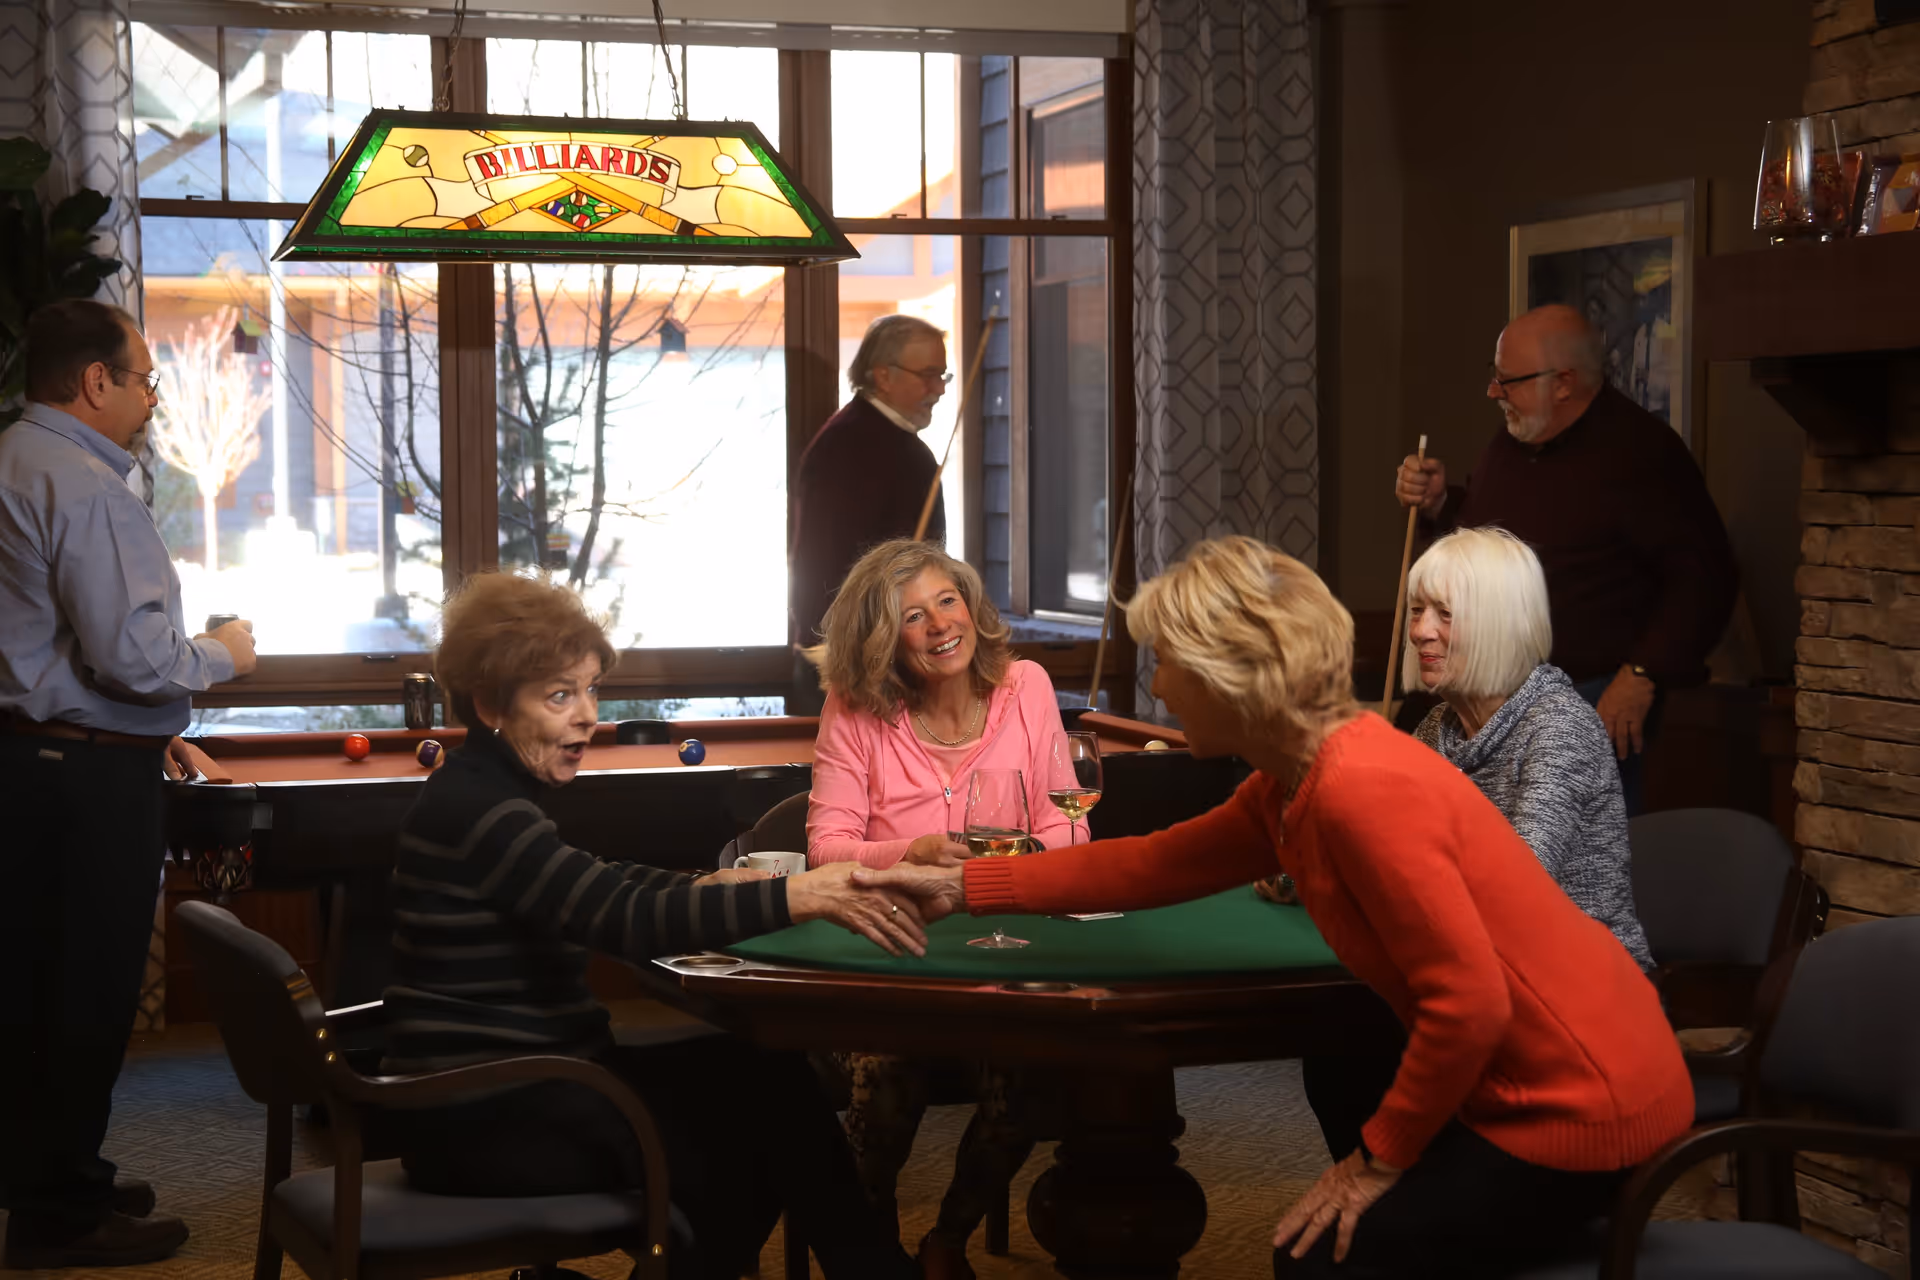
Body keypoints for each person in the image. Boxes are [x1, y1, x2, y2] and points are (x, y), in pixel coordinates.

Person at [858, 537, 1694, 1280]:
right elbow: (1151, 866)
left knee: (1316, 1254)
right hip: (1526, 1085)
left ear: (1235, 677)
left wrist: (1375, 1161)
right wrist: (962, 886)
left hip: (1588, 1104)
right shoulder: (1295, 775)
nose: (1160, 683)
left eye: (1172, 662)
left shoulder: (1360, 787)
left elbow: (1470, 1004)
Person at [387, 571, 923, 1279]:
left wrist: (706, 884)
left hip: (521, 1086)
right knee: (757, 1139)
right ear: (490, 704)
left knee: (764, 1073)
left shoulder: (482, 792)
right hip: (489, 1115)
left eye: (590, 690)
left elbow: (591, 878)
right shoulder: (483, 812)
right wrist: (799, 894)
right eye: (559, 696)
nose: (587, 717)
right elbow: (620, 916)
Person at [0, 299, 259, 1270]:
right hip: (80, 780)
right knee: (86, 988)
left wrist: (152, 735)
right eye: (146, 377)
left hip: (33, 762)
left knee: (33, 983)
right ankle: (58, 1214)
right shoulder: (85, 482)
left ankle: (50, 1172)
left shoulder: (11, 456)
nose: (153, 396)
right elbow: (136, 660)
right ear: (94, 381)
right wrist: (224, 656)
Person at [1298, 527, 1659, 1169]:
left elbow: (1516, 882)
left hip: (1575, 997)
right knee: (1337, 1041)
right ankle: (1402, 1200)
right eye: (1417, 611)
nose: (1420, 631)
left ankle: (1423, 1204)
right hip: (1476, 974)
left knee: (1366, 1044)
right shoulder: (1440, 727)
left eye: (1446, 614)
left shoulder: (1559, 726)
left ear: (1497, 623)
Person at [807, 538, 1071, 1278]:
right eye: (910, 616)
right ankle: (871, 1244)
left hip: (998, 945)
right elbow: (827, 850)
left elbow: (1067, 824)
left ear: (972, 607)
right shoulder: (855, 708)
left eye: (946, 601)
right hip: (887, 952)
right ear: (884, 641)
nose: (937, 626)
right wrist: (913, 853)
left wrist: (1026, 864)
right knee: (888, 1070)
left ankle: (948, 1238)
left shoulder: (1027, 687)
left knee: (1028, 1078)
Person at [1393, 303, 1737, 815]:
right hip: (1493, 688)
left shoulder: (1641, 452)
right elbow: (1498, 542)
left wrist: (1643, 671)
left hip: (1587, 691)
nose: (1493, 392)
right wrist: (1445, 505)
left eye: (1507, 380)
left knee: (1560, 854)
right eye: (1494, 376)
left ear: (1563, 383)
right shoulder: (1517, 438)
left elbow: (1704, 578)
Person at [788, 315, 951, 715]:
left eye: (942, 376)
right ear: (883, 375)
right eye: (928, 375)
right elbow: (825, 564)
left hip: (875, 662)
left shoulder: (884, 442)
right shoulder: (852, 446)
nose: (938, 390)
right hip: (855, 672)